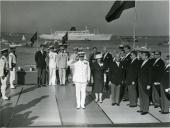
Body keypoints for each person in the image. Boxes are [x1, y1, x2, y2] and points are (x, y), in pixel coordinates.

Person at [138, 50, 152, 115]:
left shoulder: (149, 63)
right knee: (141, 96)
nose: (142, 56)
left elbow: (150, 74)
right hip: (140, 82)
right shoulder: (142, 62)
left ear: (146, 56)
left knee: (145, 96)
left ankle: (145, 110)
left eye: (143, 55)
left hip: (145, 83)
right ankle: (141, 108)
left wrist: (149, 84)